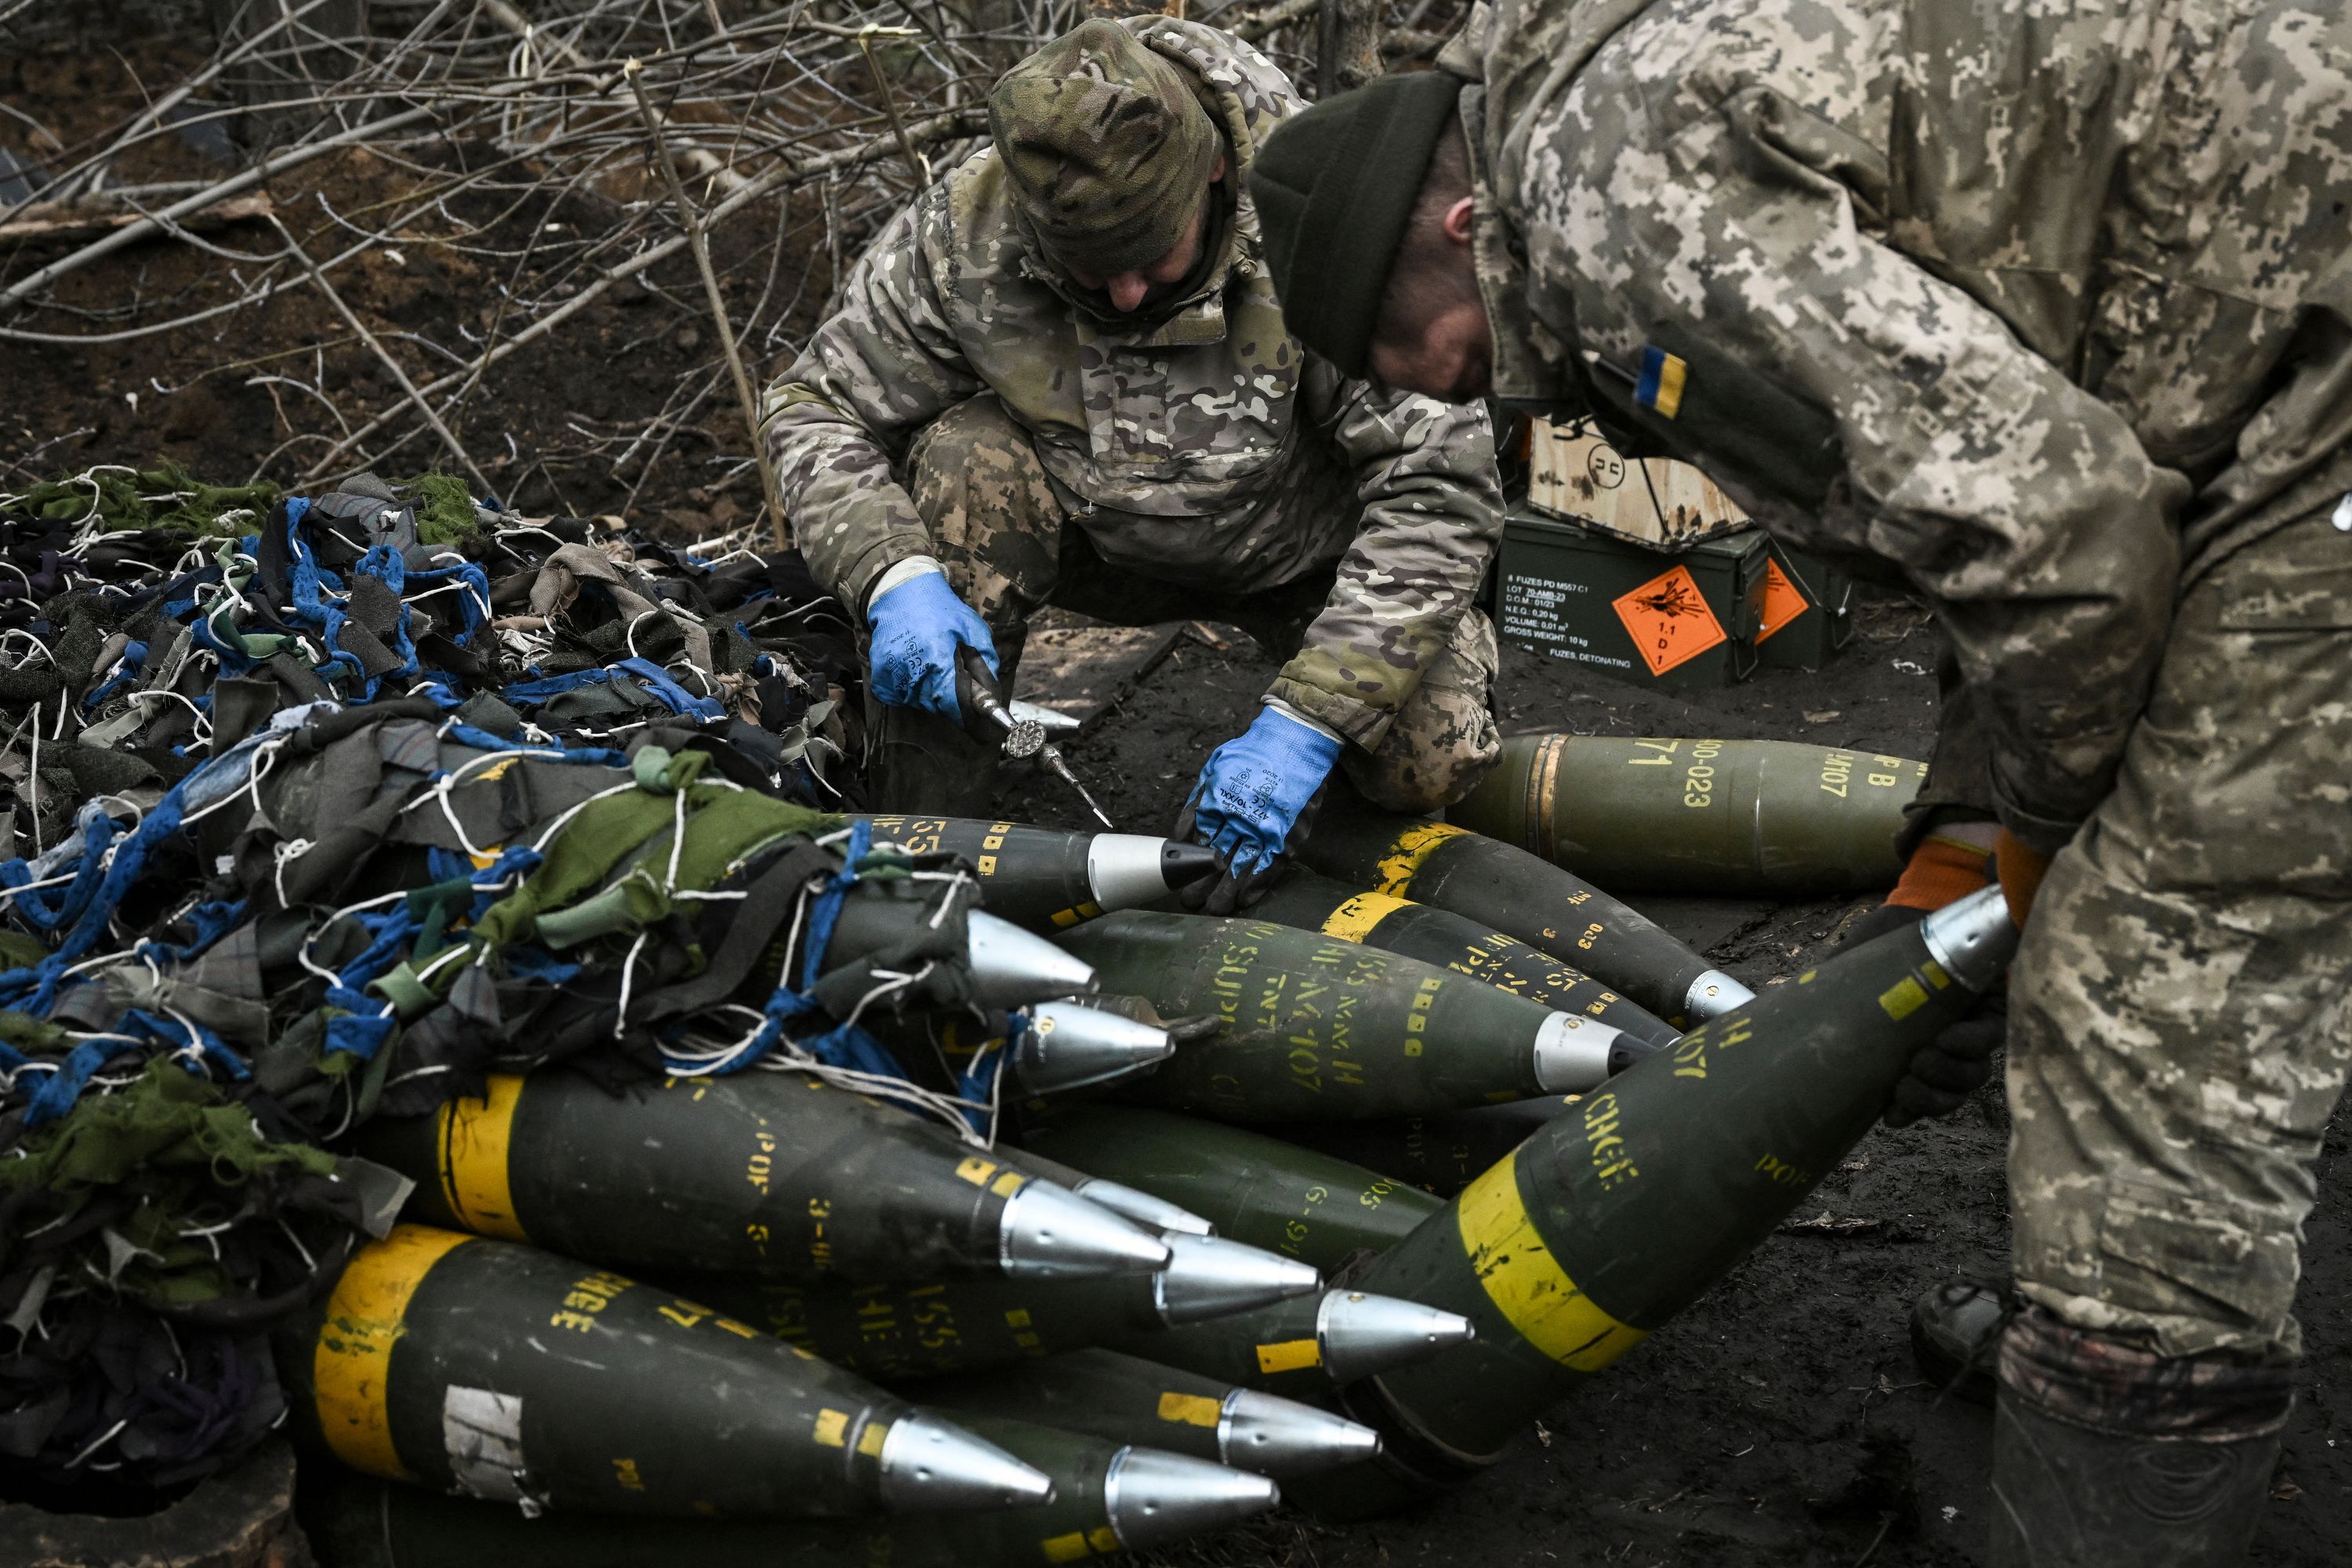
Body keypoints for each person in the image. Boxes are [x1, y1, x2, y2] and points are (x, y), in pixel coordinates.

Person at [1243, 3, 2352, 1562]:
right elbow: (1994, 510)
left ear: (1453, 220)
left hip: (2308, 392)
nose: (1431, 387)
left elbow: (2067, 548)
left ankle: (2127, 1405)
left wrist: (2042, 838)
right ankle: (2094, 1353)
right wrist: (1966, 831)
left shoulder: (1605, 213)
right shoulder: (1611, 97)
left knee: (2153, 1006)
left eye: (1393, 340)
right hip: (2249, 325)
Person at [759, 17, 1505, 887]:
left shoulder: (1326, 217)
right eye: (1088, 268)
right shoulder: (970, 228)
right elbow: (813, 402)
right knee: (969, 461)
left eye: (1151, 254)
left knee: (1430, 756)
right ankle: (931, 847)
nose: (1125, 292)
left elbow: (1440, 488)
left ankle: (1309, 842)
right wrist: (891, 575)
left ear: (1214, 170)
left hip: (1309, 559)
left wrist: (1307, 723)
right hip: (1092, 535)